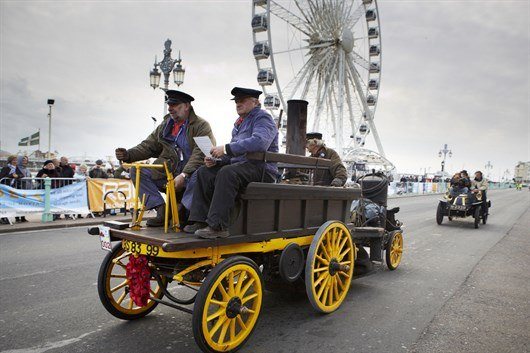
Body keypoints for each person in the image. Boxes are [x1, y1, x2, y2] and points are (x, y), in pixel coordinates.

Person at [184, 87, 279, 238]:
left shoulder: (263, 118)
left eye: (242, 100)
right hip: (243, 166)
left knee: (227, 172)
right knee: (204, 172)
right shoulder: (240, 123)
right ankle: (200, 221)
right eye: (236, 101)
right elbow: (234, 154)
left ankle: (218, 226)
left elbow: (260, 143)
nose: (238, 104)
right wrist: (217, 160)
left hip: (261, 168)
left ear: (255, 102)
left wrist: (226, 149)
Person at [115, 90, 215, 227]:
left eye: (174, 104)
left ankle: (183, 211)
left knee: (201, 174)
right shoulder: (165, 125)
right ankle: (161, 210)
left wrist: (184, 175)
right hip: (169, 171)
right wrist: (129, 155)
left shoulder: (201, 125)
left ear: (187, 106)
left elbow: (201, 153)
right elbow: (148, 146)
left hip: (191, 174)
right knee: (137, 171)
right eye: (169, 104)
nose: (170, 108)